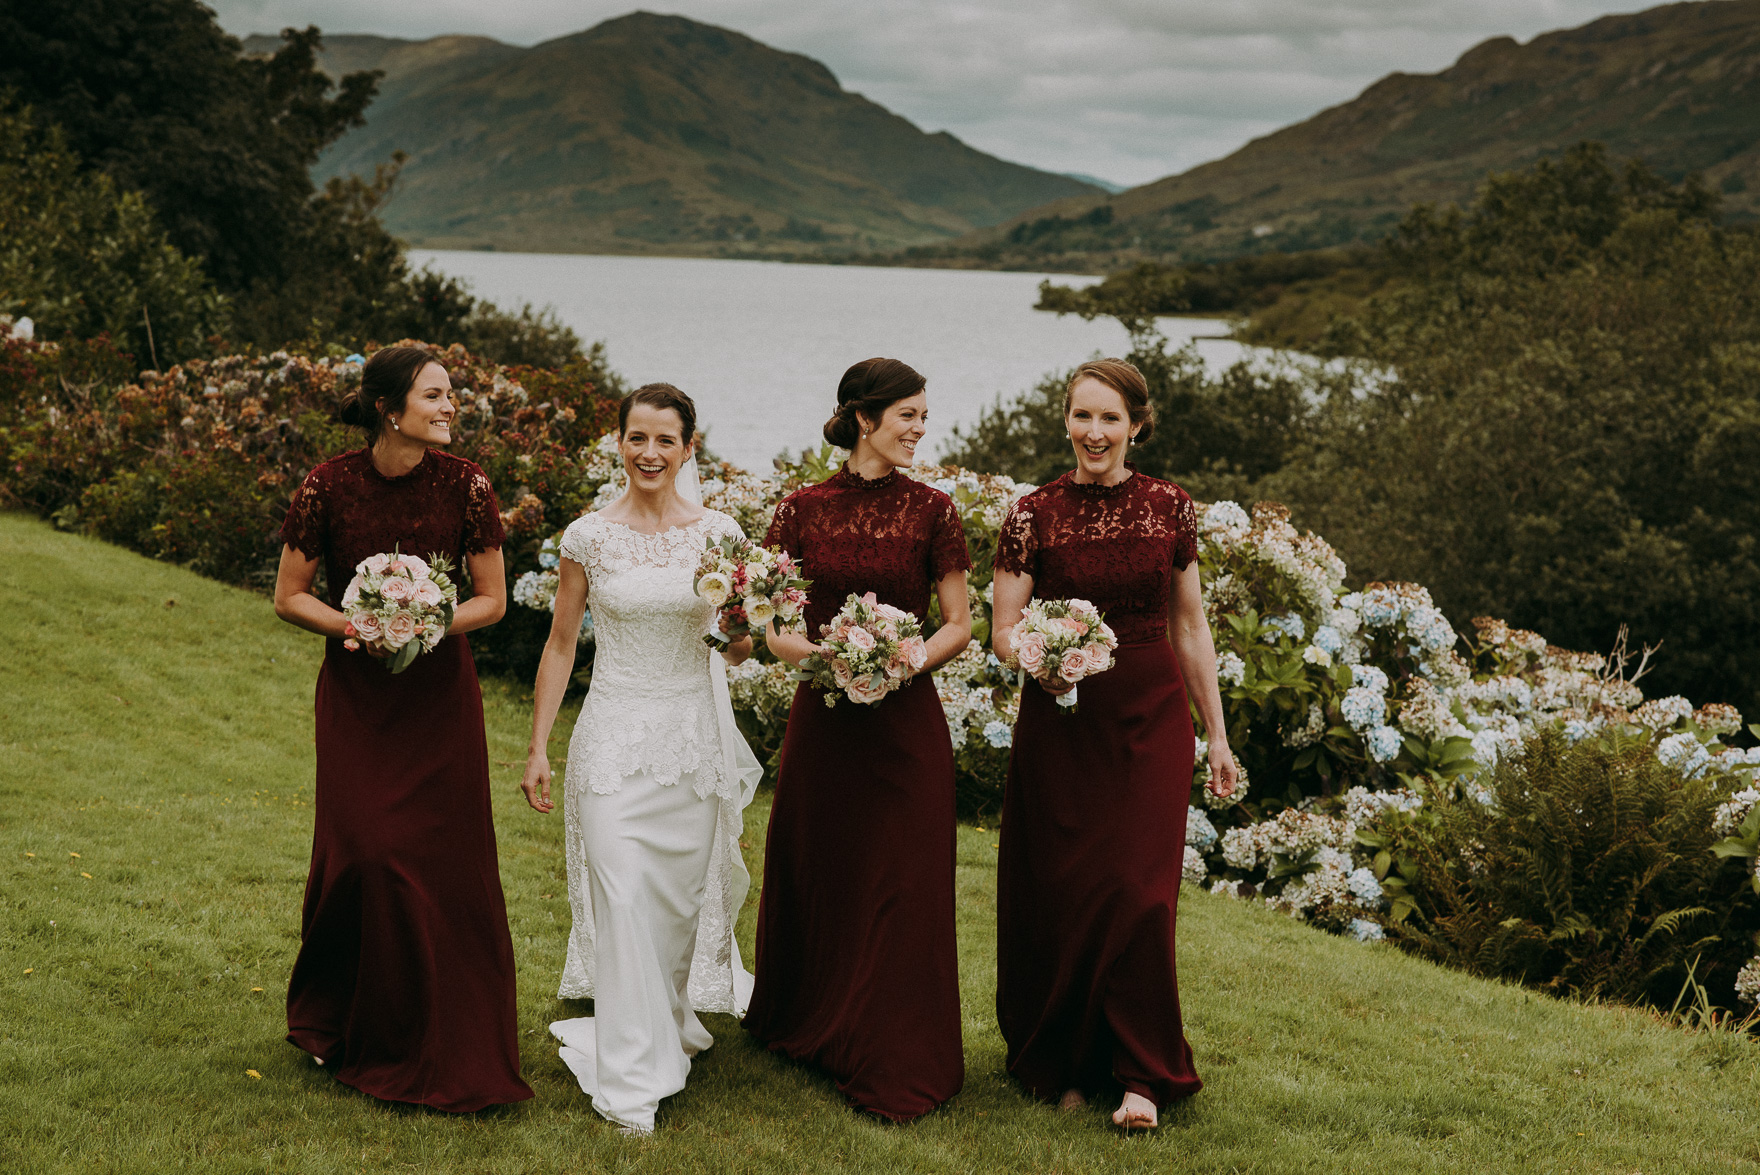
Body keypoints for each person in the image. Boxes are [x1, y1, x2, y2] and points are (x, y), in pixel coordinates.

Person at [272, 345, 532, 1112]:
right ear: (390, 407)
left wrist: (424, 620)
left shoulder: (468, 485)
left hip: (436, 699)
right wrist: (361, 624)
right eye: (436, 394)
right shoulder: (328, 485)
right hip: (357, 697)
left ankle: (440, 1033)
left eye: (452, 395)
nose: (451, 406)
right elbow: (290, 595)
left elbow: (493, 600)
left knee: (438, 862)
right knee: (364, 852)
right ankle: (340, 1019)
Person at [989, 357, 1240, 1132]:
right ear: (1065, 421)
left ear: (1137, 424)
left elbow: (1190, 626)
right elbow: (1002, 632)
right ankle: (1065, 1060)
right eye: (1081, 416)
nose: (1093, 432)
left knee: (1139, 892)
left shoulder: (1172, 507)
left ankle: (1141, 1076)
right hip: (1063, 718)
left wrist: (1217, 737)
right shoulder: (1031, 514)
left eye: (1108, 418)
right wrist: (1047, 657)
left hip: (1150, 716)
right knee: (1065, 889)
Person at [520, 383, 762, 1136]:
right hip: (613, 737)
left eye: (665, 440)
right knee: (621, 896)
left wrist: (741, 631)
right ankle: (631, 1078)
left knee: (675, 908)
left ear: (691, 447)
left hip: (690, 738)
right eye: (636, 438)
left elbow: (743, 640)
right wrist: (538, 745)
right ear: (618, 443)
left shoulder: (721, 533)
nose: (649, 453)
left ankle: (667, 1020)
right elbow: (562, 643)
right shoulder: (588, 536)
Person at [743, 357, 971, 1121]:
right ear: (863, 418)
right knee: (826, 867)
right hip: (827, 718)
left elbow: (959, 625)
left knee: (903, 877)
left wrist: (902, 660)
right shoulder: (799, 509)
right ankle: (813, 1023)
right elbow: (774, 629)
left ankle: (895, 1048)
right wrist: (831, 660)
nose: (920, 427)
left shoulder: (936, 510)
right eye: (907, 414)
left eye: (923, 414)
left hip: (905, 723)